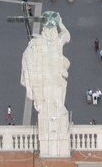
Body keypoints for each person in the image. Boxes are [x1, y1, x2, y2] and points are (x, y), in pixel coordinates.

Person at [20, 12, 72, 142]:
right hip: (53, 80)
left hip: (45, 82)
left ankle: (52, 128)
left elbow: (26, 58)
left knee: (49, 107)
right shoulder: (57, 41)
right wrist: (60, 22)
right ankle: (55, 128)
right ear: (54, 30)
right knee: (56, 105)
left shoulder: (37, 43)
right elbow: (67, 35)